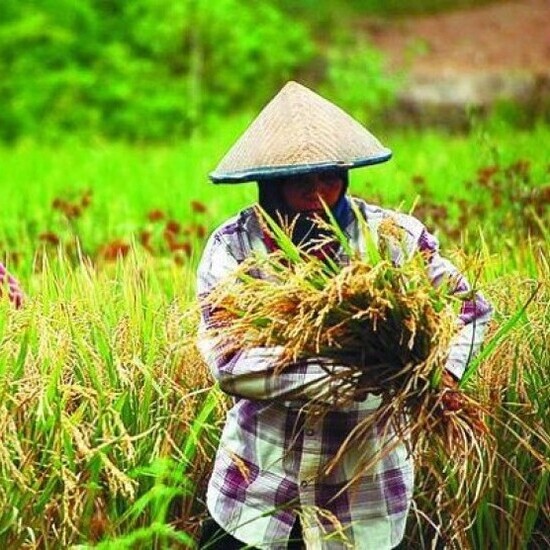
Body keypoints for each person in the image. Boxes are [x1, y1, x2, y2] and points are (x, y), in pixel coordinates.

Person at [196, 81, 491, 549]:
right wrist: (365, 373)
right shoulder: (234, 247)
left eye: (329, 178)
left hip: (362, 498)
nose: (317, 193)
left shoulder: (392, 239)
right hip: (256, 496)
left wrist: (441, 375)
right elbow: (230, 365)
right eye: (299, 182)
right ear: (270, 183)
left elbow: (470, 308)